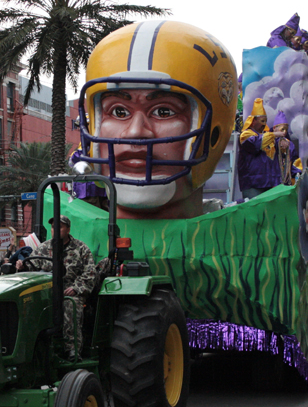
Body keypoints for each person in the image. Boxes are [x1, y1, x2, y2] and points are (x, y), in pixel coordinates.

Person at [76, 21, 237, 219]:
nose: (135, 132)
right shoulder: (63, 232)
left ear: (215, 135)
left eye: (163, 112)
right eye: (119, 111)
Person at [16, 215, 97, 361]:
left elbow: (90, 273)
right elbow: (31, 268)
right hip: (46, 291)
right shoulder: (43, 248)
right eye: (53, 227)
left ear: (68, 229)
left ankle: (72, 349)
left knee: (69, 305)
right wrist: (22, 267)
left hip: (70, 291)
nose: (56, 230)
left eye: (60, 227)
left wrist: (76, 288)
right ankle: (30, 350)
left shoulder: (81, 249)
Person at [237, 99, 292, 199]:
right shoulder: (245, 135)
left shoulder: (269, 137)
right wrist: (274, 134)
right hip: (253, 183)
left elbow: (278, 151)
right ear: (253, 121)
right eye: (262, 121)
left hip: (270, 183)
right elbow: (255, 144)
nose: (264, 124)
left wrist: (283, 145)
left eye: (265, 121)